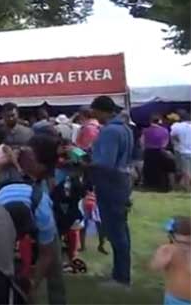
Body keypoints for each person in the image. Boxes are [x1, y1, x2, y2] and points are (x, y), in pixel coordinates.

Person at [0, 134, 67, 304]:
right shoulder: (17, 162)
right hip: (9, 215)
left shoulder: (46, 187)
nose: (23, 153)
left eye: (29, 153)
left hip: (39, 213)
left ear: (40, 163)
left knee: (52, 265)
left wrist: (33, 284)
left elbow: (46, 254)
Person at [89, 95, 134, 289]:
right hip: (122, 181)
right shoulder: (125, 128)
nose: (94, 116)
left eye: (95, 112)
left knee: (116, 231)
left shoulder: (109, 131)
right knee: (121, 229)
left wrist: (83, 163)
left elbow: (105, 163)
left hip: (110, 183)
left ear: (101, 111)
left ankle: (121, 278)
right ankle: (121, 272)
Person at [150, 216, 191, 305]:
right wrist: (161, 261)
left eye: (189, 243)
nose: (185, 247)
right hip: (175, 299)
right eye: (180, 242)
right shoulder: (167, 250)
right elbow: (154, 267)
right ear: (172, 238)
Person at [142, 114, 174, 192]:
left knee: (150, 169)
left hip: (149, 150)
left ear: (150, 121)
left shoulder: (145, 130)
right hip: (160, 150)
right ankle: (161, 185)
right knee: (161, 169)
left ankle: (150, 184)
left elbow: (142, 141)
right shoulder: (164, 130)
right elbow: (166, 142)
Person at [170, 109, 191, 191]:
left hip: (183, 151)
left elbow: (172, 137)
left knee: (185, 171)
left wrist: (178, 142)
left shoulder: (176, 126)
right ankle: (184, 187)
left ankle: (187, 188)